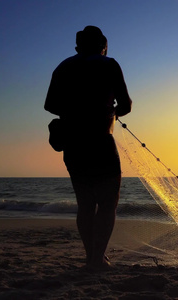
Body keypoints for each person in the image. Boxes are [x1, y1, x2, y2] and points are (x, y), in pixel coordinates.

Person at [44, 25, 132, 270]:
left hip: (74, 145)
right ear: (103, 46)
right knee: (107, 203)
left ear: (77, 47)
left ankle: (90, 257)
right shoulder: (109, 64)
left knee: (85, 204)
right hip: (101, 141)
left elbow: (50, 104)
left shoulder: (63, 67)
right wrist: (108, 106)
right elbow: (125, 105)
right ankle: (97, 258)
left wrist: (74, 108)